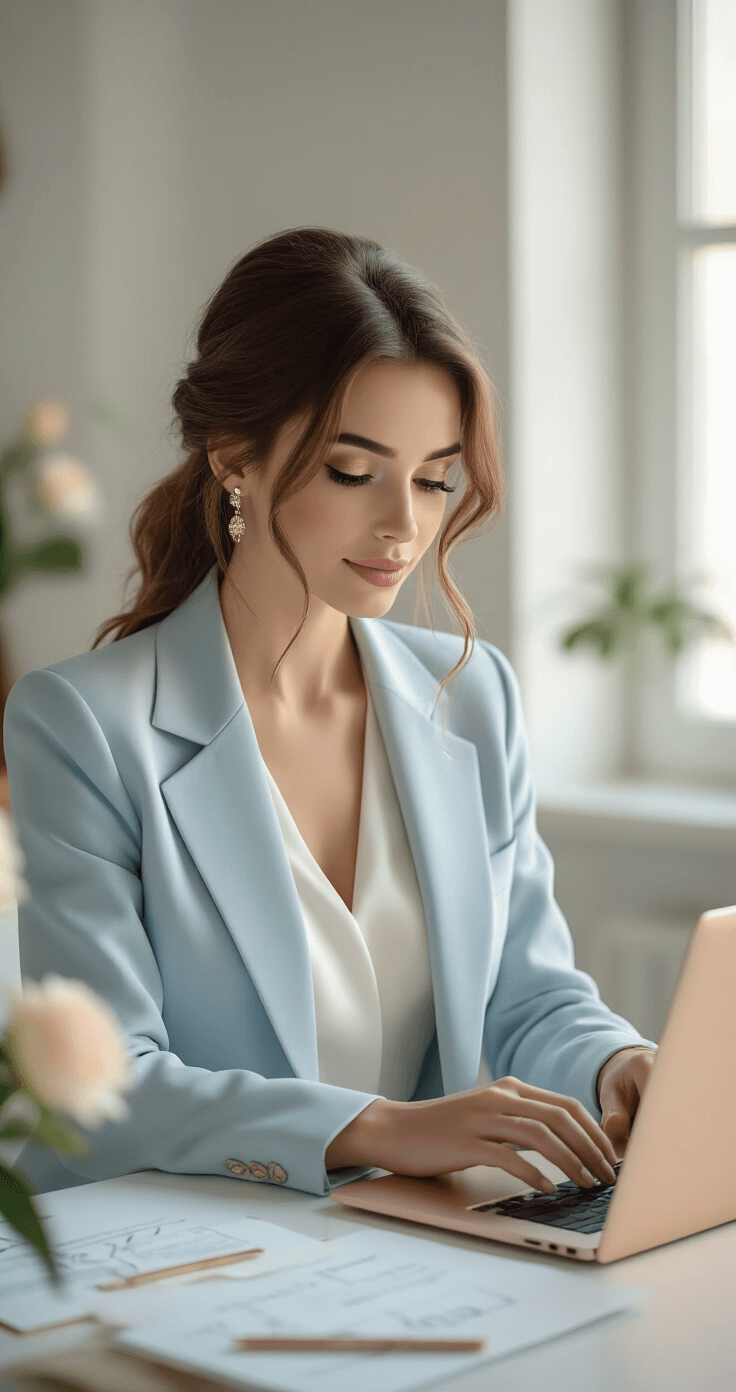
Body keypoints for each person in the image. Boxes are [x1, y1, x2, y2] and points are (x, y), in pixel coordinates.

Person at [3, 227, 656, 1198]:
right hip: (188, 1250)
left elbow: (528, 992)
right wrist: (381, 1128)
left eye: (433, 479)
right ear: (234, 458)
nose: (403, 526)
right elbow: (108, 1083)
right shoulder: (83, 725)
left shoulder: (471, 695)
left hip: (412, 1241)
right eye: (353, 473)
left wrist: (619, 1063)